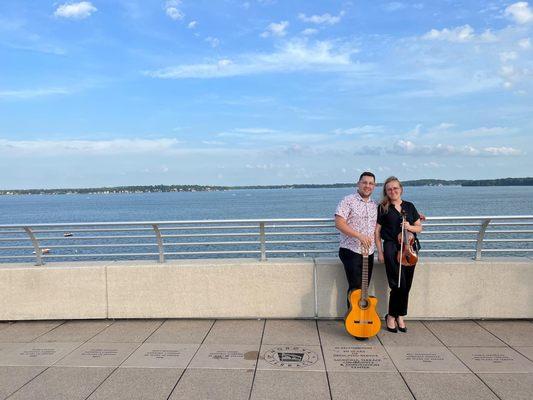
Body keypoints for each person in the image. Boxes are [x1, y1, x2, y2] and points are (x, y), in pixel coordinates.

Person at [375, 176, 422, 333]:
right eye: (389, 189)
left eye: (395, 188)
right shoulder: (383, 207)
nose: (393, 191)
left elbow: (419, 228)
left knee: (407, 285)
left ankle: (399, 315)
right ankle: (391, 316)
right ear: (386, 192)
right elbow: (377, 232)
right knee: (397, 284)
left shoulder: (409, 206)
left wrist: (409, 226)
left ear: (401, 189)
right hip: (391, 249)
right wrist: (380, 252)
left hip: (409, 249)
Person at [335, 172, 378, 309]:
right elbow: (339, 223)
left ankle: (364, 319)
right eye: (364, 182)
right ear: (358, 184)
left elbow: (394, 213)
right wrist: (359, 235)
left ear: (374, 186)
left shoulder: (375, 204)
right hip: (350, 250)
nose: (367, 186)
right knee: (355, 289)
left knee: (364, 288)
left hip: (368, 252)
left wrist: (413, 216)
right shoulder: (348, 200)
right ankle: (353, 320)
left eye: (371, 183)